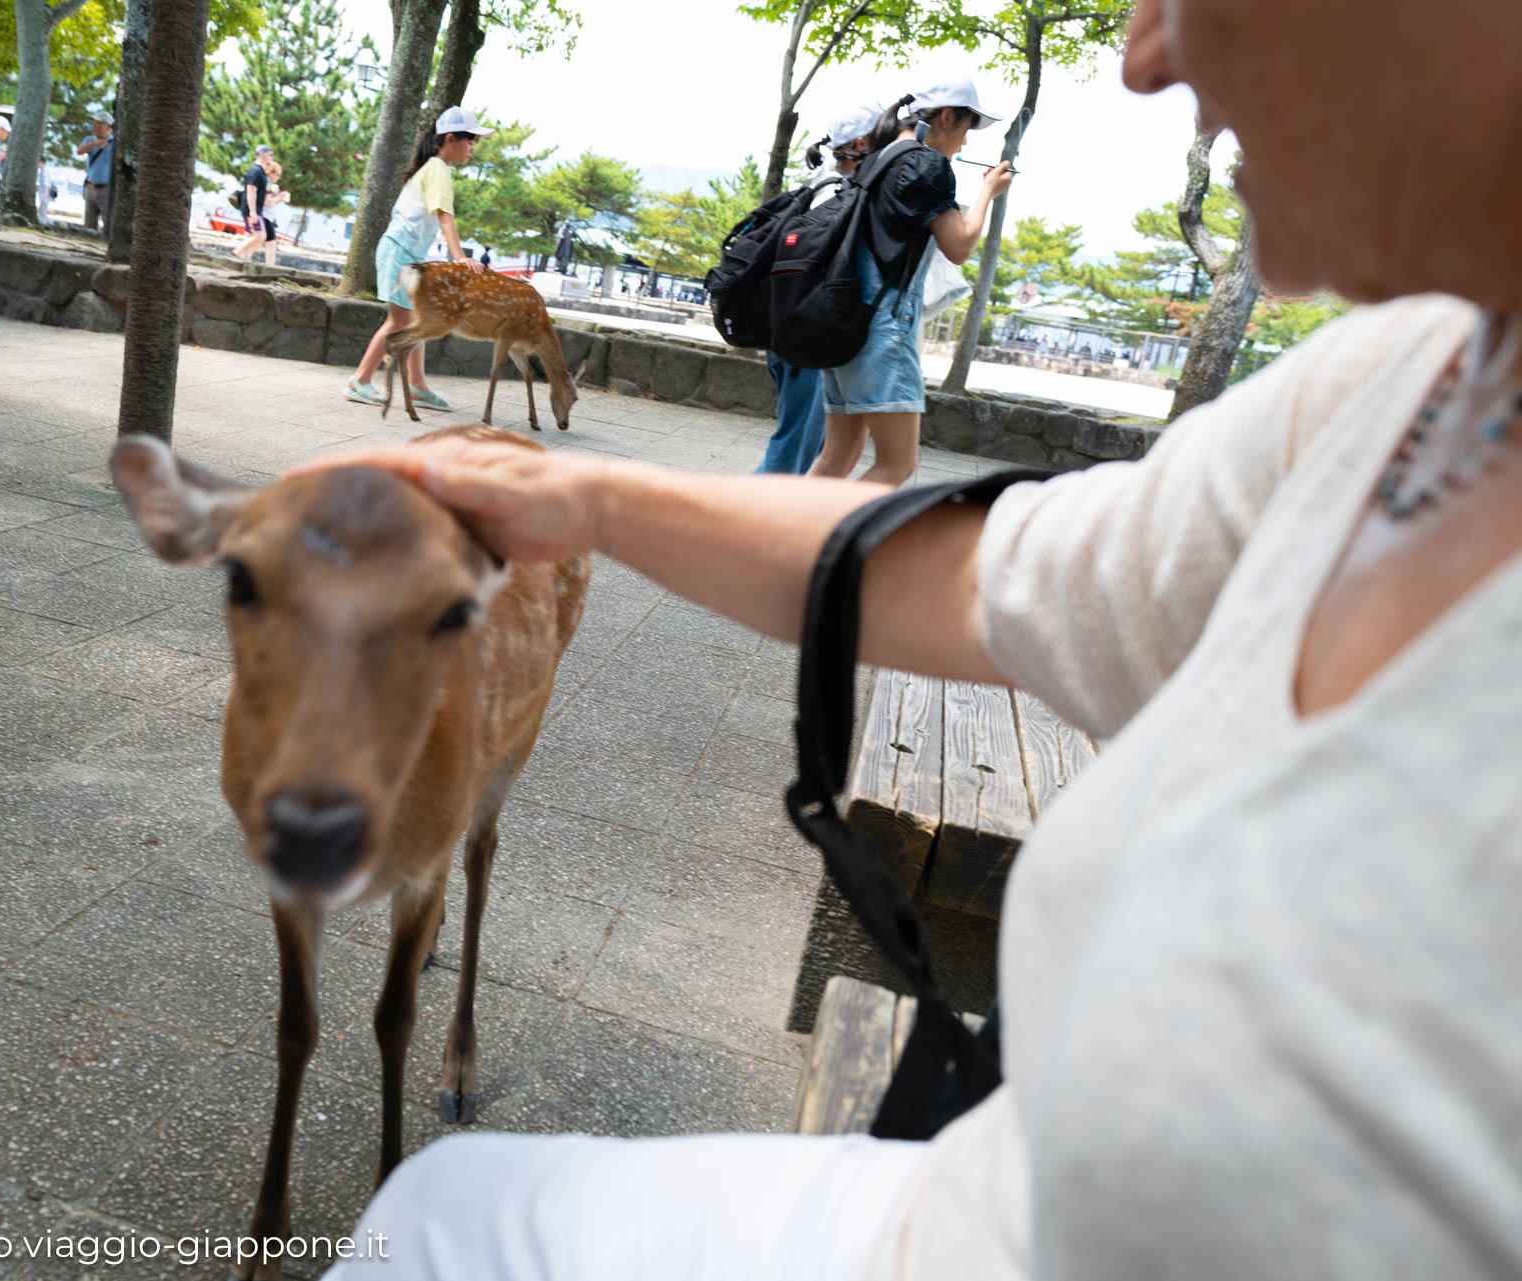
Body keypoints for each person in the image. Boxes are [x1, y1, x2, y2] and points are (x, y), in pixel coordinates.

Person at [287, 1, 1522, 1277]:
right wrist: (588, 501)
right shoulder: (1411, 381)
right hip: (981, 1194)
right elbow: (1007, 576)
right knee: (440, 1214)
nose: (1145, 56)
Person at [805, 79, 1012, 484]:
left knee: (838, 455)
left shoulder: (880, 158)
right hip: (883, 327)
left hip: (845, 316)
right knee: (896, 464)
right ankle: (826, 544)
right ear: (948, 117)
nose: (965, 143)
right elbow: (959, 246)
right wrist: (990, 190)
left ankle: (788, 541)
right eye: (967, 129)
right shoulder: (925, 164)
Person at [755, 100, 884, 476]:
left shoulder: (817, 185)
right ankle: (737, 526)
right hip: (807, 338)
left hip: (788, 333)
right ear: (862, 143)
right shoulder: (841, 197)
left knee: (811, 447)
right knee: (795, 448)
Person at [343, 106, 492, 411]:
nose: (473, 148)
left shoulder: (433, 168)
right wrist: (461, 257)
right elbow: (444, 217)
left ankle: (418, 386)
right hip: (400, 251)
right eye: (471, 141)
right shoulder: (437, 169)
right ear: (451, 138)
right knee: (399, 322)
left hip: (404, 252)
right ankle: (359, 381)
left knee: (415, 320)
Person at [231, 142, 275, 263]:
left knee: (253, 237)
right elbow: (251, 191)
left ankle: (242, 258)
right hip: (251, 208)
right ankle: (236, 253)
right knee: (260, 236)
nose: (272, 157)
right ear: (262, 154)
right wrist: (253, 212)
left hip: (254, 209)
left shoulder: (260, 171)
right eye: (270, 154)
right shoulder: (256, 171)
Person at [76, 111, 113, 232]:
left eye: (99, 124)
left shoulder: (115, 143)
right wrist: (94, 143)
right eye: (94, 123)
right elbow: (79, 151)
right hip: (90, 187)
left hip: (106, 189)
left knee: (108, 221)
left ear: (108, 127)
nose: (95, 126)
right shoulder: (90, 139)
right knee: (89, 223)